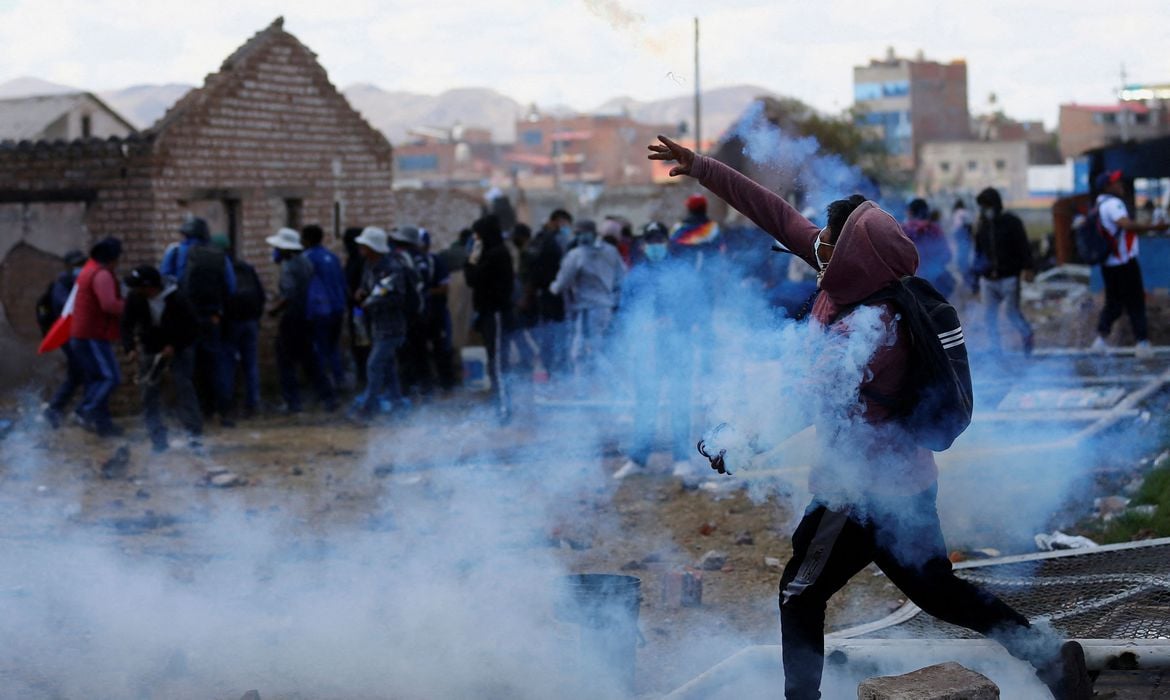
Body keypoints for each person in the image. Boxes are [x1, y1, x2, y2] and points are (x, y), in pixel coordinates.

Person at [648, 134, 1093, 700]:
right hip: (906, 485)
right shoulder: (852, 276)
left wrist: (739, 440)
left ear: (853, 253)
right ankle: (1050, 660)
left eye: (828, 242)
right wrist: (703, 168)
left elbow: (810, 399)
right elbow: (777, 215)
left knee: (800, 593)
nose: (816, 248)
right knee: (938, 591)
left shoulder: (875, 326)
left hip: (856, 494)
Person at [613, 221, 702, 480]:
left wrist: (676, 322)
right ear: (643, 244)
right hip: (647, 350)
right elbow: (624, 312)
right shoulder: (635, 276)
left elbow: (696, 306)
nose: (654, 245)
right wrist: (637, 331)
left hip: (677, 348)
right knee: (645, 404)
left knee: (679, 403)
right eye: (650, 241)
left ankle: (682, 459)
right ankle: (637, 459)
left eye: (658, 240)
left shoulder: (682, 273)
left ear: (666, 242)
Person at [1090, 170, 1170, 358]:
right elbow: (1127, 226)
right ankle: (1142, 343)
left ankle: (1100, 340)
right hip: (1123, 261)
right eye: (1116, 182)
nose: (1121, 185)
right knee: (1135, 302)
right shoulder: (1113, 204)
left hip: (1109, 263)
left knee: (1114, 304)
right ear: (1108, 186)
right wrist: (1155, 227)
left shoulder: (1099, 204)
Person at [121, 265, 201, 452]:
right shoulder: (135, 298)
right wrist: (130, 348)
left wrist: (174, 345)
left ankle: (194, 435)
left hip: (179, 348)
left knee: (183, 387)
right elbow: (126, 323)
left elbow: (192, 327)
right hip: (151, 348)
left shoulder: (178, 297)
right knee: (148, 393)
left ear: (150, 287)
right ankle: (158, 439)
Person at [266, 227, 336, 414]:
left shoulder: (289, 266)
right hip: (307, 317)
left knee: (285, 360)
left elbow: (288, 294)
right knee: (309, 360)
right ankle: (327, 396)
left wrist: (274, 310)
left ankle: (292, 402)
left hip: (292, 318)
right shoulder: (305, 262)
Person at [549, 219, 625, 384]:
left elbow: (561, 283)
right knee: (597, 348)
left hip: (587, 309)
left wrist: (551, 287)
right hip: (606, 307)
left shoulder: (576, 255)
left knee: (583, 350)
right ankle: (598, 386)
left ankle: (601, 386)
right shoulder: (611, 251)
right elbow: (622, 277)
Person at [351, 226, 412, 421]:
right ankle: (396, 404)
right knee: (387, 367)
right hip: (377, 325)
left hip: (392, 327)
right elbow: (366, 286)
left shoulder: (392, 269)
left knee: (374, 365)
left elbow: (397, 298)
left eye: (364, 245)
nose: (361, 248)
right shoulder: (369, 265)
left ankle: (369, 407)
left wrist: (371, 301)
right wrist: (361, 292)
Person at [70, 237, 125, 437]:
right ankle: (84, 411)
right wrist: (129, 307)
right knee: (111, 378)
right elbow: (109, 305)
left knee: (96, 380)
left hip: (84, 334)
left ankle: (104, 426)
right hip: (92, 335)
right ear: (113, 258)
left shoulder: (89, 271)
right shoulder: (102, 275)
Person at [972, 187, 1035, 355]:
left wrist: (1028, 267)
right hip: (988, 280)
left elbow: (1024, 246)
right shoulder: (982, 226)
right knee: (989, 316)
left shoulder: (1012, 222)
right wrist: (975, 279)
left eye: (988, 205)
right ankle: (995, 348)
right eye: (982, 206)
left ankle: (1027, 337)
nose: (985, 210)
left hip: (1009, 277)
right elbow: (978, 253)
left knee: (1012, 312)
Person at [464, 215, 515, 423]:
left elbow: (474, 278)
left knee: (498, 363)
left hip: (497, 314)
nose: (476, 239)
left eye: (478, 235)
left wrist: (471, 260)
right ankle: (500, 404)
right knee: (495, 361)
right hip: (488, 313)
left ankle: (503, 408)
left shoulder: (497, 254)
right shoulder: (491, 253)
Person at [218, 235, 266, 418]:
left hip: (231, 322)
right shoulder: (246, 267)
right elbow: (260, 294)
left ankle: (227, 406)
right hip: (251, 321)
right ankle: (253, 403)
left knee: (228, 363)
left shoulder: (221, 268)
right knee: (251, 364)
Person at [39, 250, 87, 428]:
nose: (79, 268)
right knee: (84, 373)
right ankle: (72, 410)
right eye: (76, 265)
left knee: (77, 375)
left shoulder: (77, 282)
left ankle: (55, 409)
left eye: (82, 264)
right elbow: (66, 309)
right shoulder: (62, 284)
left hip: (78, 336)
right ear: (68, 267)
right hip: (69, 336)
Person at [523, 210, 572, 378]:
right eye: (565, 223)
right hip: (551, 293)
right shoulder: (550, 240)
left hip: (547, 293)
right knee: (553, 334)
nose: (566, 228)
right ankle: (556, 369)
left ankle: (553, 368)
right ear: (558, 221)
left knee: (550, 334)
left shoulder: (542, 239)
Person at [301, 224, 349, 390]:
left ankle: (323, 387)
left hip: (321, 310)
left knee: (319, 348)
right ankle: (339, 379)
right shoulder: (332, 256)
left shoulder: (307, 258)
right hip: (338, 307)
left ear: (306, 240)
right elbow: (342, 283)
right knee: (333, 346)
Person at [417, 228, 457, 392]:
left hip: (436, 312)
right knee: (421, 350)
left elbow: (444, 287)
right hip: (419, 315)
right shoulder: (409, 260)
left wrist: (425, 293)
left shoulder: (435, 261)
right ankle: (426, 385)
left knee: (441, 348)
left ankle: (447, 383)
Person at [901, 198, 955, 299]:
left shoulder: (903, 230)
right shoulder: (935, 229)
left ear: (910, 212)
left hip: (910, 284)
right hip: (935, 283)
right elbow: (947, 255)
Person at [950, 200, 977, 294]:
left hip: (962, 240)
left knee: (962, 264)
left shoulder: (958, 213)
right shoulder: (967, 213)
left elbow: (956, 228)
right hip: (967, 241)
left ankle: (968, 286)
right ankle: (971, 285)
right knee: (968, 263)